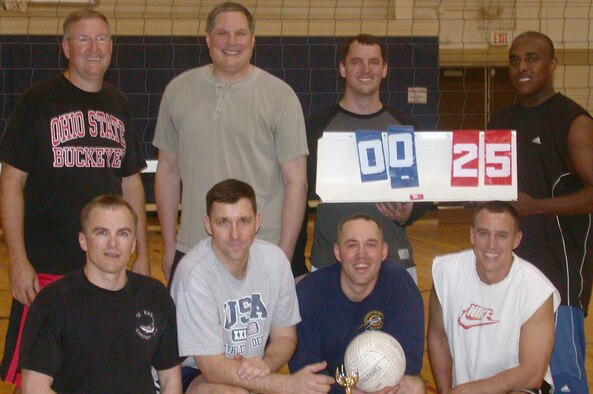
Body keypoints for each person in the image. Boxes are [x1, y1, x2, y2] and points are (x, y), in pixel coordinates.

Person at [0, 9, 150, 388]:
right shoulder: (37, 101)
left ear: (112, 47)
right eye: (82, 39)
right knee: (37, 378)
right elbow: (11, 182)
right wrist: (17, 260)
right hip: (48, 267)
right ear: (66, 47)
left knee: (97, 370)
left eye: (101, 39)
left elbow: (131, 183)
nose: (93, 48)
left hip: (108, 267)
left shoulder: (119, 103)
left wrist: (144, 256)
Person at [154, 1, 308, 283]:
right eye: (222, 33)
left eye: (240, 33)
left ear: (253, 40)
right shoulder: (177, 91)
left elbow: (296, 182)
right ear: (208, 39)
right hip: (193, 248)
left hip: (260, 249)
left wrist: (283, 257)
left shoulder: (280, 96)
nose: (231, 42)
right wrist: (169, 244)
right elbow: (167, 172)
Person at [488, 31, 593, 392]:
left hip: (557, 278)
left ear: (552, 64)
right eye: (515, 60)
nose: (522, 67)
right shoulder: (499, 121)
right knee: (514, 380)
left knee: (563, 382)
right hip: (505, 275)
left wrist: (536, 207)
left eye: (532, 58)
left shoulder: (574, 121)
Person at [171, 179, 334, 393]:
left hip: (247, 367)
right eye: (223, 222)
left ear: (257, 222)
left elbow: (285, 337)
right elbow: (211, 368)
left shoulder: (275, 261)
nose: (235, 234)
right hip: (189, 371)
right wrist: (286, 384)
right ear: (208, 224)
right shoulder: (194, 275)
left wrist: (265, 364)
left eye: (244, 221)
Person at [19, 195, 181, 393]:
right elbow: (34, 387)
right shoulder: (53, 302)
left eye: (122, 234)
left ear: (133, 244)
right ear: (83, 241)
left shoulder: (156, 297)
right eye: (102, 233)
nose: (113, 243)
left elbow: (170, 381)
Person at [306, 34, 431, 280]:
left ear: (384, 69)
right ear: (343, 68)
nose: (365, 69)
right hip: (330, 262)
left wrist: (411, 211)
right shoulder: (316, 127)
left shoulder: (406, 126)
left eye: (373, 62)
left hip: (393, 261)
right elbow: (298, 191)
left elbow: (426, 190)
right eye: (356, 62)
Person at [427, 201, 560, 393]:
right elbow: (438, 337)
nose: (491, 244)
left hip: (516, 388)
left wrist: (475, 389)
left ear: (516, 239)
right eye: (483, 233)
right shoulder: (446, 272)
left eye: (501, 235)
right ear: (472, 235)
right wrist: (446, 390)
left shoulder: (536, 289)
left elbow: (532, 373)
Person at [290, 214, 425, 394]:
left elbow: (409, 360)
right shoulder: (310, 292)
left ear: (384, 251)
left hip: (384, 386)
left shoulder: (399, 284)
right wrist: (345, 391)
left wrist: (376, 388)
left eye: (371, 245)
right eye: (352, 245)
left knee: (413, 387)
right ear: (337, 252)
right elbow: (304, 369)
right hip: (331, 388)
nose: (362, 255)